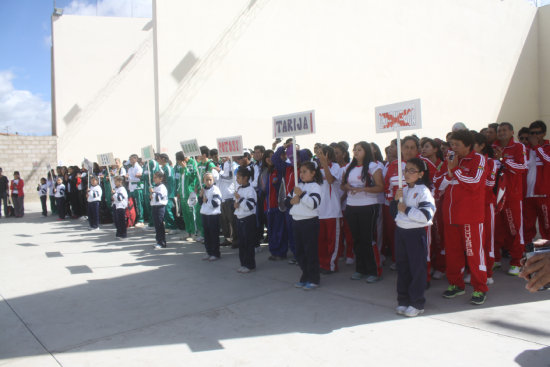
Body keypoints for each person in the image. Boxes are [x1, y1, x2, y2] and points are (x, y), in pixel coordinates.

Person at [440, 130, 488, 305]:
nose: (453, 148)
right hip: (450, 216)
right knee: (452, 254)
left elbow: (475, 183)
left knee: (474, 254)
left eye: (457, 145)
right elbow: (442, 181)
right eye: (451, 144)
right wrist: (449, 172)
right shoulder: (452, 159)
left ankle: (480, 288)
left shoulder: (479, 159)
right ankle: (456, 284)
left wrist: (455, 170)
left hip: (470, 217)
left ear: (468, 145)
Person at [391, 158, 435, 317]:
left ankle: (417, 302)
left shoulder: (424, 191)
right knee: (402, 267)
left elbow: (426, 215)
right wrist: (395, 201)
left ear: (421, 174)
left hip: (415, 233)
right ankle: (403, 300)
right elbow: (394, 212)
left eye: (412, 171)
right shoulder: (403, 189)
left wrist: (407, 209)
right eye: (406, 170)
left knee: (417, 268)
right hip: (401, 231)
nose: (407, 174)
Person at [343, 141, 385, 283]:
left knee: (368, 239)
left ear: (366, 151)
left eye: (359, 150)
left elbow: (380, 187)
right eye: (354, 150)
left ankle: (374, 270)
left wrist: (362, 189)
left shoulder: (374, 167)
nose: (356, 152)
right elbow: (343, 186)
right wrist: (347, 187)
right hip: (351, 205)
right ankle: (360, 269)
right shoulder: (350, 167)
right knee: (357, 239)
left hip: (368, 206)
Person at [492, 122, 527, 275]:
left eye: (505, 130)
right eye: (499, 130)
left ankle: (516, 261)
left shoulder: (518, 147)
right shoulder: (492, 146)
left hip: (512, 196)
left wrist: (503, 160)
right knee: (496, 230)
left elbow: (522, 168)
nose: (501, 133)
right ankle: (496, 260)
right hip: (496, 196)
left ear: (512, 132)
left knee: (515, 229)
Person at [285, 161, 323, 290]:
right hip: (296, 221)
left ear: (313, 173)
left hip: (309, 222)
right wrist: (292, 200)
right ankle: (305, 275)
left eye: (305, 171)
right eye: (300, 172)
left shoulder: (315, 187)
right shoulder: (297, 186)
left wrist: (301, 195)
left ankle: (314, 278)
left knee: (310, 251)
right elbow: (286, 203)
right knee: (299, 251)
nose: (301, 174)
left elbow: (313, 204)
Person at [473, 132, 498, 285]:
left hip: (486, 206)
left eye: (473, 144)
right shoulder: (465, 161)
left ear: (482, 146)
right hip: (471, 207)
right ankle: (474, 270)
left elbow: (489, 185)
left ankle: (488, 272)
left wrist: (472, 182)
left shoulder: (491, 162)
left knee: (487, 240)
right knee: (474, 242)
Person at [523, 120, 550, 243]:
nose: (534, 136)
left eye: (537, 133)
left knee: (546, 224)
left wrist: (537, 147)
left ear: (544, 134)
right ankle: (528, 252)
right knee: (527, 226)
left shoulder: (547, 147)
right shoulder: (525, 149)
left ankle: (547, 254)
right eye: (532, 133)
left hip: (543, 194)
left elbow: (548, 162)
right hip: (527, 195)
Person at [317, 145, 343, 274]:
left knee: (332, 240)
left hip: (332, 210)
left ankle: (331, 265)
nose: (318, 155)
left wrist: (325, 165)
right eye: (318, 153)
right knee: (321, 240)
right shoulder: (315, 169)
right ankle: (322, 263)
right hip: (318, 211)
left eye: (321, 153)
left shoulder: (336, 167)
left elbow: (331, 180)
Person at [234, 167, 258, 273]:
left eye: (238, 177)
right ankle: (243, 263)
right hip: (239, 218)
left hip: (248, 219)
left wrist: (240, 199)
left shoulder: (251, 190)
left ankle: (250, 264)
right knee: (242, 243)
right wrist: (234, 204)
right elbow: (237, 203)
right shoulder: (239, 189)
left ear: (245, 178)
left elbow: (250, 206)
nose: (237, 179)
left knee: (248, 243)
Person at [199, 172, 222, 261]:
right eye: (206, 180)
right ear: (203, 181)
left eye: (210, 180)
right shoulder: (203, 189)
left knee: (214, 235)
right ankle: (208, 251)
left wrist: (207, 200)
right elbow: (200, 203)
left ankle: (215, 253)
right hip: (205, 214)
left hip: (213, 215)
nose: (208, 182)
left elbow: (216, 203)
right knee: (207, 235)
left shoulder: (215, 189)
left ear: (213, 180)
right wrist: (201, 195)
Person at [219, 156, 238, 247]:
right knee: (224, 220)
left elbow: (230, 177)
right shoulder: (223, 164)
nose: (223, 158)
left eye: (224, 156)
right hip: (222, 196)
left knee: (232, 220)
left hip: (230, 196)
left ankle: (235, 240)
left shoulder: (233, 165)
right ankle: (227, 239)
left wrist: (220, 172)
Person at [159, 153, 178, 233]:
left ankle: (173, 227)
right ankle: (168, 226)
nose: (158, 160)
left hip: (168, 193)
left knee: (168, 210)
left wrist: (169, 193)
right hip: (163, 193)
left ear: (163, 159)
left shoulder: (168, 168)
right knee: (165, 210)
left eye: (159, 158)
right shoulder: (162, 168)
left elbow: (171, 182)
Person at [150, 171, 168, 249]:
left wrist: (153, 193)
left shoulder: (162, 187)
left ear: (161, 179)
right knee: (157, 225)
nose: (154, 179)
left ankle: (162, 242)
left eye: (155, 178)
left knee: (160, 225)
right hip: (154, 207)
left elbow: (158, 197)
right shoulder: (155, 186)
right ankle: (158, 241)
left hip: (160, 207)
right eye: (153, 177)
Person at [127, 154, 145, 228]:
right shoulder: (130, 168)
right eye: (130, 159)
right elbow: (129, 178)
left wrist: (130, 177)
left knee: (139, 204)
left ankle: (141, 220)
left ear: (135, 159)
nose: (130, 161)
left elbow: (138, 178)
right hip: (131, 188)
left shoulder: (139, 167)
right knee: (132, 204)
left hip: (137, 188)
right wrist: (129, 177)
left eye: (131, 159)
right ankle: (133, 219)